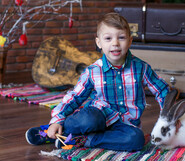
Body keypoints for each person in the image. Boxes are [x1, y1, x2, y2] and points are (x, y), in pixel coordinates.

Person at [25, 12, 174, 151]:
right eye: (108, 38)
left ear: (129, 41)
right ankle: (56, 129)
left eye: (121, 38)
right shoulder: (93, 71)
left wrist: (169, 117)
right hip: (99, 116)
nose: (115, 43)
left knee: (137, 140)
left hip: (125, 125)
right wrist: (57, 119)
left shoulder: (141, 68)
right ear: (99, 43)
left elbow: (162, 90)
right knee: (88, 119)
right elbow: (75, 97)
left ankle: (84, 139)